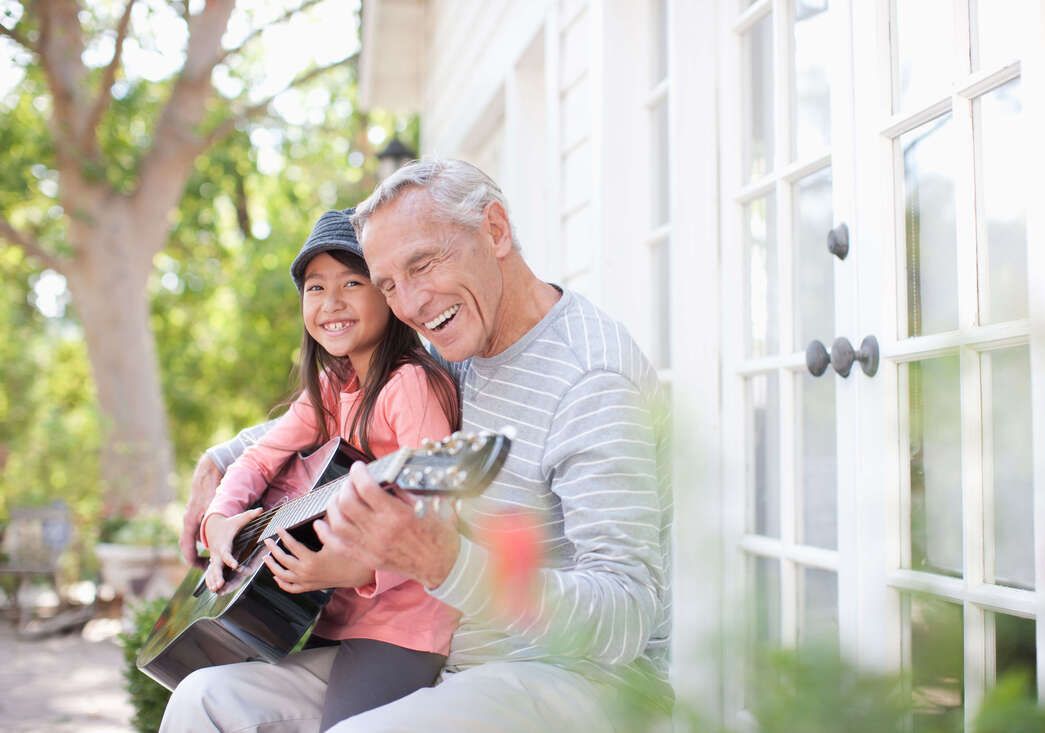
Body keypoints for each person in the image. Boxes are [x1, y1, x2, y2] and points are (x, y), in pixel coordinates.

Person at [171, 159, 672, 732]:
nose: (409, 305)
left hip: (565, 678)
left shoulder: (589, 379)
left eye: (423, 264)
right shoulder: (450, 349)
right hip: (436, 653)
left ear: (496, 229)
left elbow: (627, 614)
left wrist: (449, 564)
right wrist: (220, 463)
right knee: (204, 702)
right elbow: (333, 408)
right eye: (387, 284)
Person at [161, 209, 462, 732]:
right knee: (200, 697)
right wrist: (221, 520)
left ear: (388, 295)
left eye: (352, 282)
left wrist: (357, 571)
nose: (332, 303)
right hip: (338, 619)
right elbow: (257, 458)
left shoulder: (409, 386)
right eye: (316, 287)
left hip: (403, 629)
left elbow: (436, 511)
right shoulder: (332, 389)